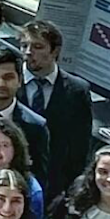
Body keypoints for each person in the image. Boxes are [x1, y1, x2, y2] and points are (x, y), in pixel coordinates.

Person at [19, 19, 98, 196]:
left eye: (38, 47)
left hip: (54, 182)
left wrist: (72, 185)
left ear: (55, 50)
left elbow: (81, 145)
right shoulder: (8, 79)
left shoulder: (77, 90)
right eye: (24, 46)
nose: (28, 52)